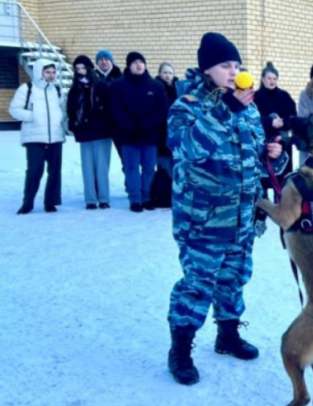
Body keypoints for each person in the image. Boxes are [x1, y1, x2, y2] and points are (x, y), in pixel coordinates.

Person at [166, 32, 288, 386]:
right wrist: (227, 108)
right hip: (202, 219)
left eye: (236, 64)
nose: (234, 71)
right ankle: (181, 350)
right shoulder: (187, 105)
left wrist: (272, 158)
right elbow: (189, 148)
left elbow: (253, 156)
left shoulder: (248, 107)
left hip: (240, 218)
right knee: (197, 284)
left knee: (235, 278)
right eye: (225, 65)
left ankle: (228, 336)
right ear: (208, 68)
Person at [110, 52, 168, 212]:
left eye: (141, 62)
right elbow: (115, 109)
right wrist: (130, 125)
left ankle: (147, 197)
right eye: (135, 62)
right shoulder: (118, 85)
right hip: (128, 135)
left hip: (149, 134)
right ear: (129, 65)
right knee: (131, 168)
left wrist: (147, 124)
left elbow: (162, 109)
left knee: (149, 168)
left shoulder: (156, 86)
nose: (139, 65)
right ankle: (135, 199)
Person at [9, 59, 66, 215]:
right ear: (39, 72)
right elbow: (14, 110)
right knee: (35, 171)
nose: (51, 75)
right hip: (34, 138)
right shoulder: (26, 88)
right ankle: (27, 203)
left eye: (54, 72)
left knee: (55, 171)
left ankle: (50, 203)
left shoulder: (57, 90)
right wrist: (33, 116)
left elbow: (63, 111)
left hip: (55, 137)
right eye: (47, 72)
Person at [68, 55, 112, 210]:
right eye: (78, 69)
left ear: (89, 68)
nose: (81, 71)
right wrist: (75, 125)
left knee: (102, 167)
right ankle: (90, 200)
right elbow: (71, 110)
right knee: (87, 167)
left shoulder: (101, 86)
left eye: (83, 68)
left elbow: (110, 108)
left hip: (102, 132)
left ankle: (104, 198)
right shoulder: (75, 89)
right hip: (84, 132)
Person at [254, 61, 297, 194]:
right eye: (269, 78)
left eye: (274, 78)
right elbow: (252, 118)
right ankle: (262, 206)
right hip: (262, 142)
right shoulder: (255, 96)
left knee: (282, 180)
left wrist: (283, 123)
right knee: (262, 178)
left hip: (281, 142)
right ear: (262, 79)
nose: (272, 81)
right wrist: (269, 122)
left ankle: (282, 204)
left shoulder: (284, 96)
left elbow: (293, 116)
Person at [152, 62, 179, 209]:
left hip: (176, 135)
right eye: (164, 72)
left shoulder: (179, 89)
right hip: (161, 134)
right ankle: (162, 196)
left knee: (176, 168)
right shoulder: (155, 88)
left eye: (170, 72)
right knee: (163, 167)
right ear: (160, 73)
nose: (167, 75)